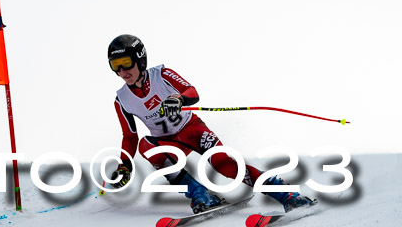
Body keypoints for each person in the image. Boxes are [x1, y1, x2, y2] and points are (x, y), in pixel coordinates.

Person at [106, 34, 315, 213]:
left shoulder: (161, 74)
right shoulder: (122, 99)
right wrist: (124, 166)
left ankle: (286, 195)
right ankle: (201, 195)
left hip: (192, 130)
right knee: (146, 146)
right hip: (169, 143)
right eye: (116, 66)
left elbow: (192, 92)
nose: (122, 71)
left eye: (126, 62)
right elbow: (130, 137)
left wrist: (178, 100)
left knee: (225, 165)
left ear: (140, 59)